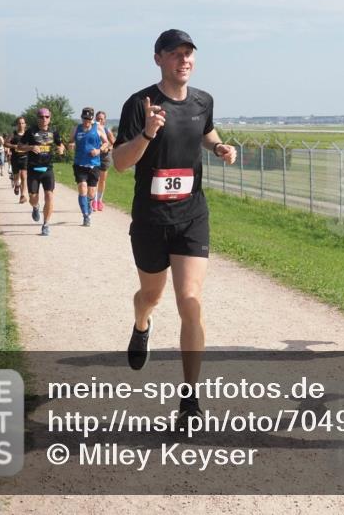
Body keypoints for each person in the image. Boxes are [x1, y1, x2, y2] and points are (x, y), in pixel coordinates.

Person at [112, 29, 236, 422]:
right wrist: (148, 132)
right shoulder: (139, 104)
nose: (184, 60)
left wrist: (218, 146)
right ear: (158, 59)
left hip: (191, 215)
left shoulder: (203, 101)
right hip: (151, 220)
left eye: (189, 54)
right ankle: (141, 323)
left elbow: (203, 130)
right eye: (176, 54)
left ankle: (190, 400)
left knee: (190, 302)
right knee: (150, 295)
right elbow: (119, 162)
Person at [18, 108, 65, 236]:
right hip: (33, 169)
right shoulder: (30, 132)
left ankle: (46, 224)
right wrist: (31, 147)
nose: (44, 119)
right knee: (33, 198)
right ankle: (36, 207)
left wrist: (61, 149)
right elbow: (19, 146)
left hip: (48, 169)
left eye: (46, 117)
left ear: (50, 118)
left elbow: (60, 144)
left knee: (49, 196)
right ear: (37, 118)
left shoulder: (54, 131)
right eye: (41, 117)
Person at [69, 107, 109, 226]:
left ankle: (90, 203)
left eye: (88, 119)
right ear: (81, 117)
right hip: (79, 164)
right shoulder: (76, 128)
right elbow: (70, 141)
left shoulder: (98, 128)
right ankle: (85, 216)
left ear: (92, 119)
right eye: (84, 118)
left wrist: (98, 150)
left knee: (91, 193)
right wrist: (70, 144)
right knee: (82, 189)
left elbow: (106, 142)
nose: (86, 121)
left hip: (94, 164)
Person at [93, 111, 117, 211]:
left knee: (102, 180)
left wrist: (109, 148)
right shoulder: (92, 129)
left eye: (102, 119)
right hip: (94, 157)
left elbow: (114, 143)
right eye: (98, 118)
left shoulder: (107, 131)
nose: (99, 120)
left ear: (105, 120)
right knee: (95, 179)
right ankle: (93, 201)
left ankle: (99, 200)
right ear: (95, 119)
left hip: (104, 157)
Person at [6, 117, 29, 204]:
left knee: (23, 176)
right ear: (17, 125)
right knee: (16, 176)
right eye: (19, 123)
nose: (21, 125)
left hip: (25, 157)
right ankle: (17, 185)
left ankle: (22, 196)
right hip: (15, 158)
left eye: (23, 123)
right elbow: (5, 143)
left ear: (25, 124)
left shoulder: (28, 134)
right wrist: (14, 146)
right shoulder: (13, 134)